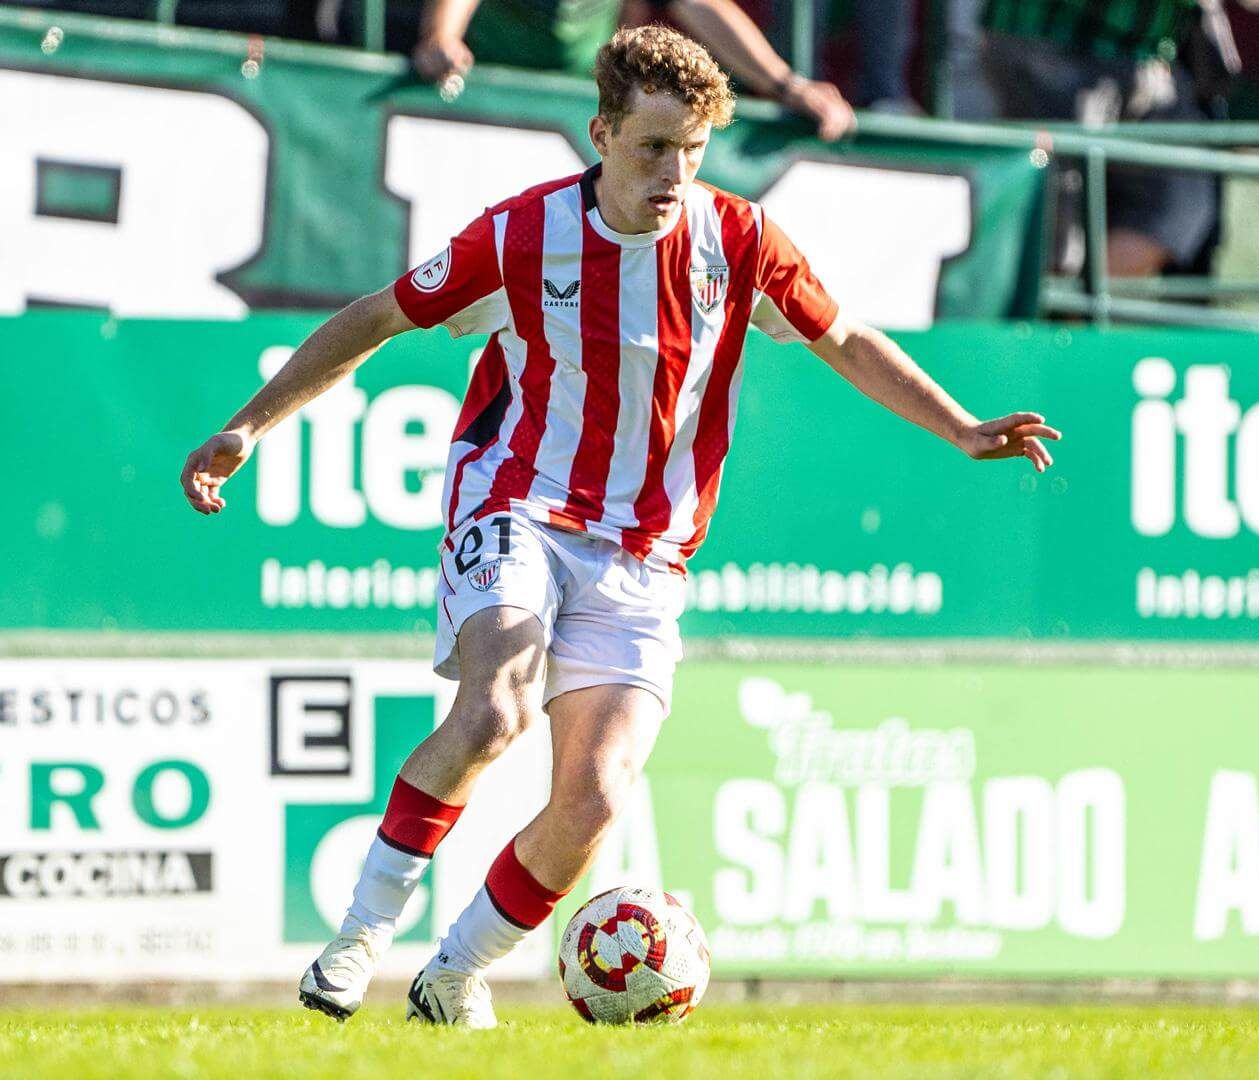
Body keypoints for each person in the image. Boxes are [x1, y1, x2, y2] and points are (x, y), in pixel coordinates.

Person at [180, 25, 1058, 1028]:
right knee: (494, 710)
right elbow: (377, 317)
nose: (674, 172)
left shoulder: (742, 242)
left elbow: (845, 337)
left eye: (692, 148)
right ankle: (356, 943)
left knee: (593, 803)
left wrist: (958, 428)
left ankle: (454, 973)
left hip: (649, 549)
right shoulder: (521, 235)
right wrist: (247, 425)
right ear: (601, 133)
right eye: (652, 148)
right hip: (521, 499)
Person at [981, 0, 1221, 276]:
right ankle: (1049, 307)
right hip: (1052, 45)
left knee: (1178, 205)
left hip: (1146, 58)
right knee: (1056, 230)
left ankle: (1073, 312)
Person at [412, 0, 857, 140]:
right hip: (485, 103)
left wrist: (785, 84)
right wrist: (440, 38)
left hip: (582, 105)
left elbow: (698, 4)